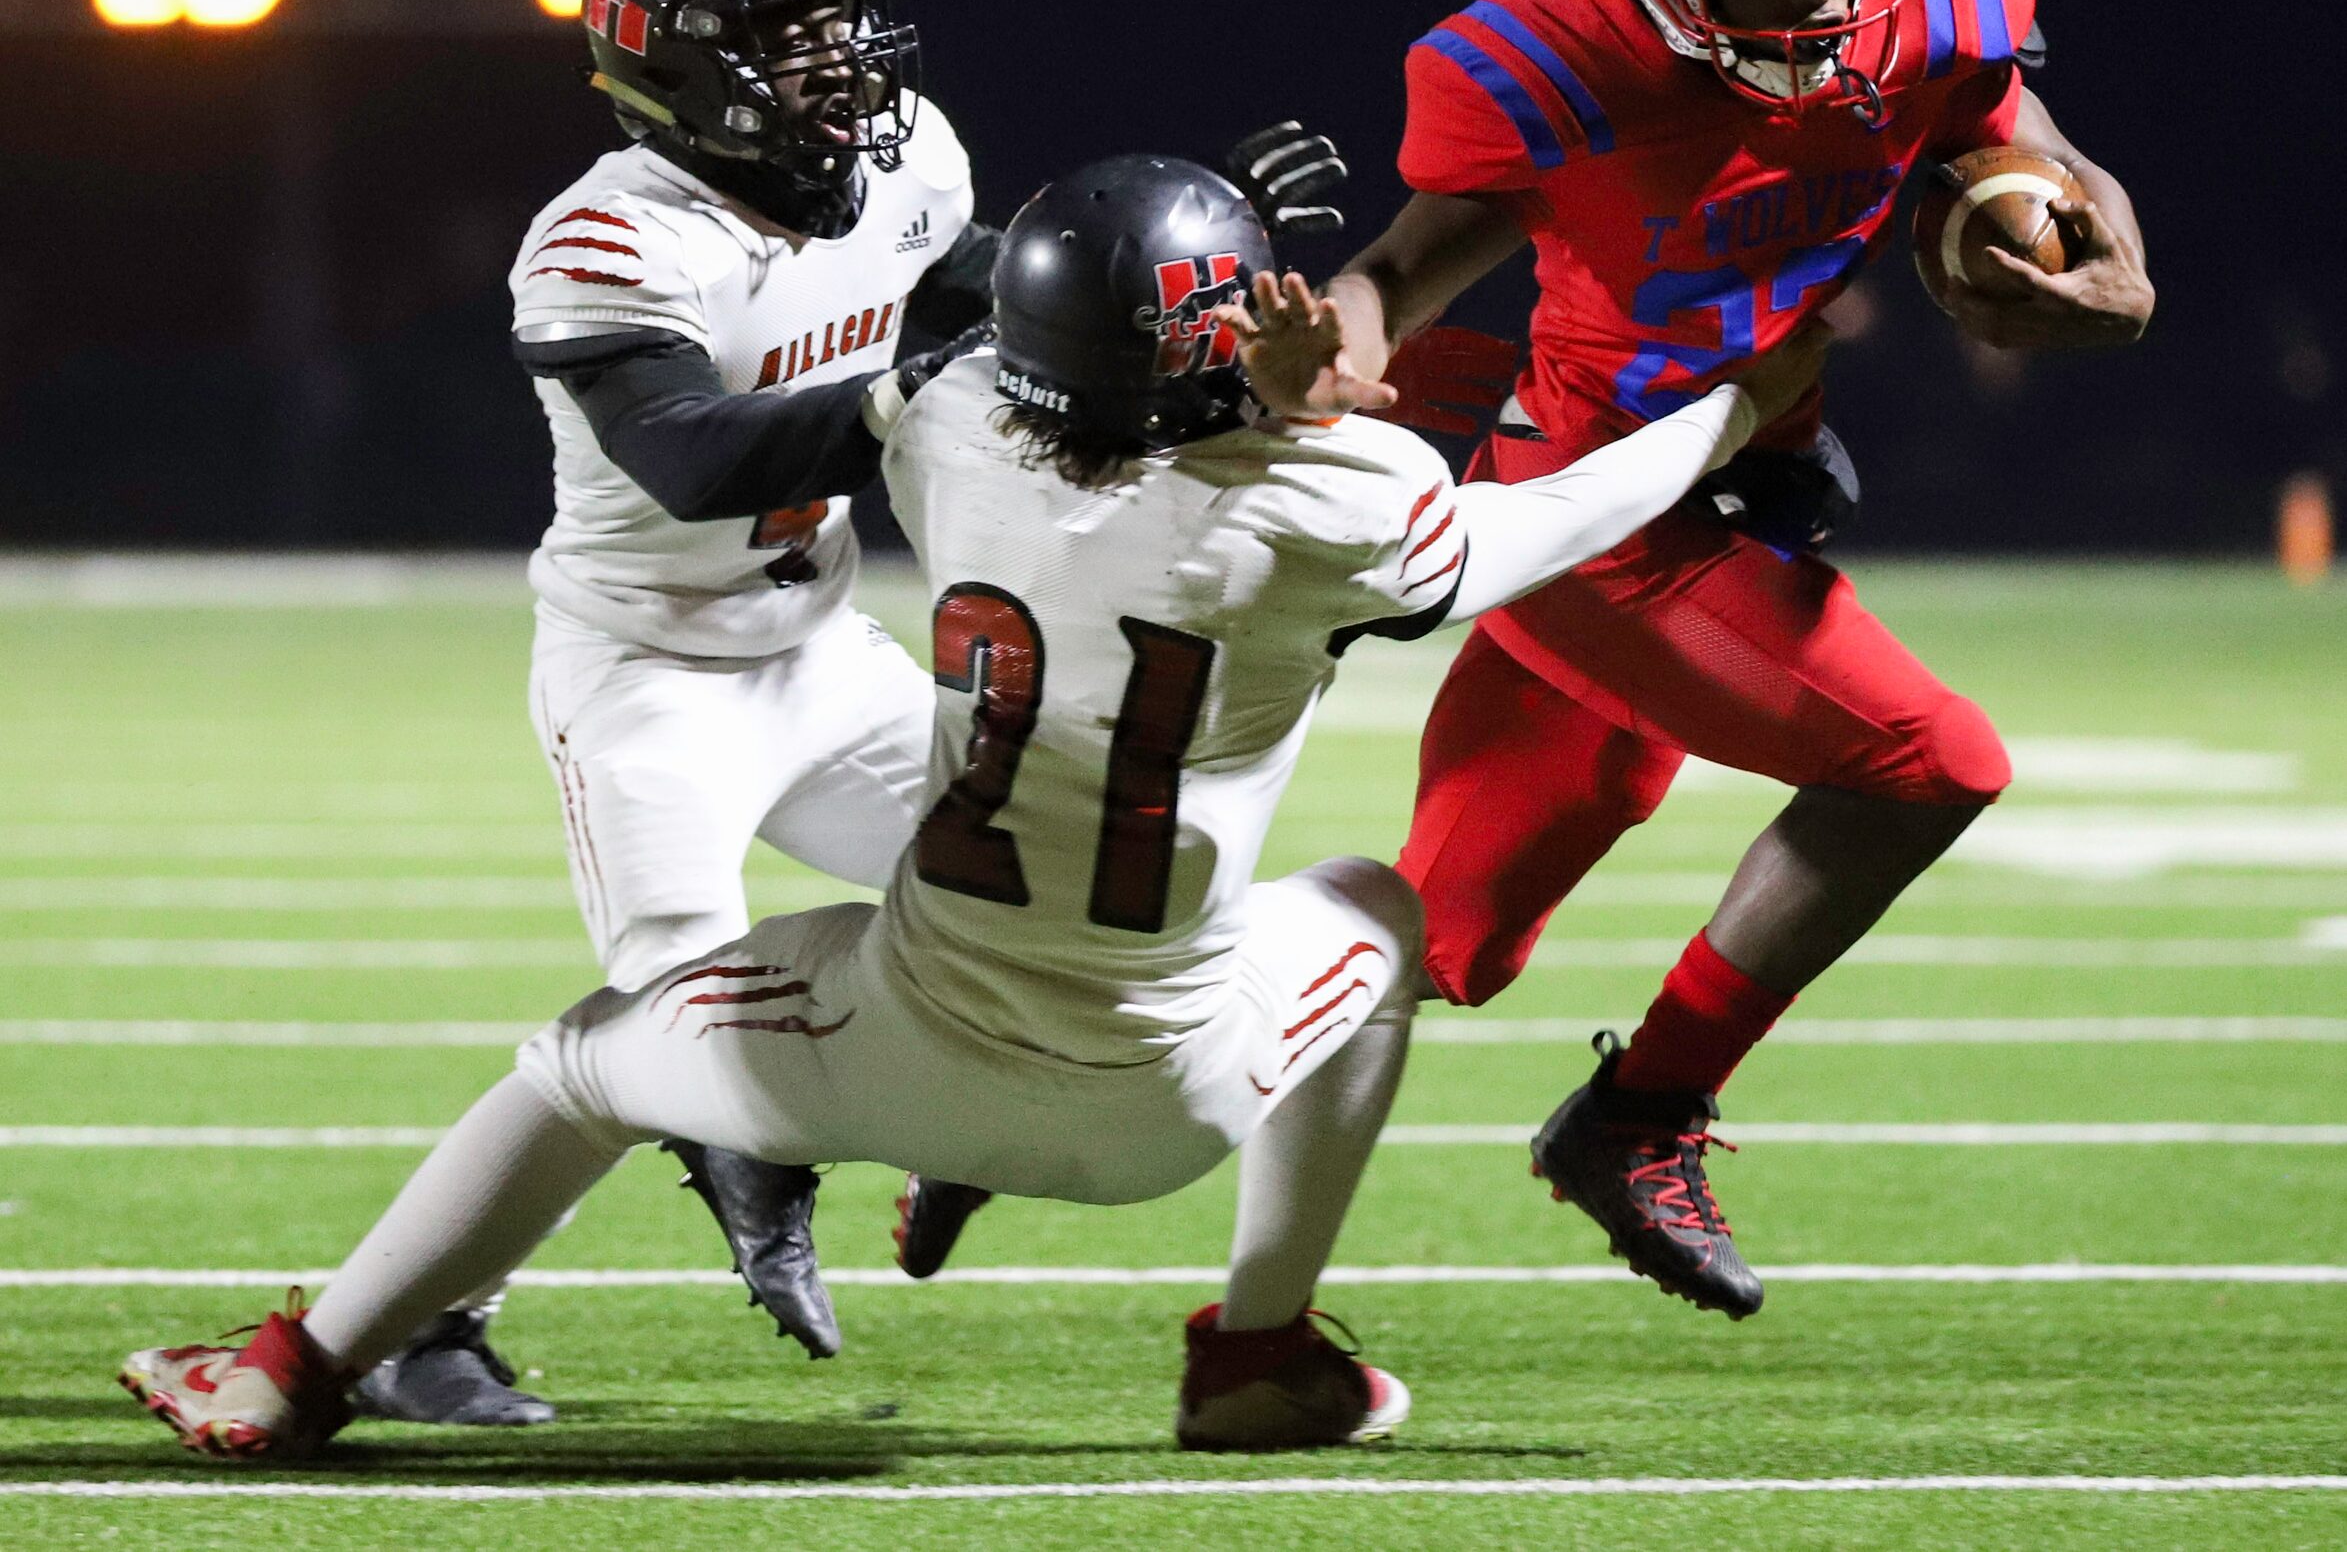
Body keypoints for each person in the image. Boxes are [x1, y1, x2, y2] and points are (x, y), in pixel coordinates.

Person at [117, 153, 1823, 1460]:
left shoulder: (947, 433)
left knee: (583, 1059)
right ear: (1205, 351)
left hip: (895, 1043)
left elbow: (999, 377)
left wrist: (1242, 387)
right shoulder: (1340, 501)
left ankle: (294, 1366)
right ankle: (1256, 1346)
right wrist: (1737, 401)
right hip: (1175, 1088)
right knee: (1374, 909)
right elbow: (1572, 511)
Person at [1323, 0, 2156, 1317]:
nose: (1813, 16)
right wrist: (1342, 349)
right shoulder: (1559, 75)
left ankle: (1076, 1050)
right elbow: (1399, 267)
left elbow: (2017, 136)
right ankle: (1639, 1113)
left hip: (1733, 484)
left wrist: (2115, 268)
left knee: (1437, 943)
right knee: (1933, 760)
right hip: (1591, 518)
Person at [354, 0, 998, 1426]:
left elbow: (980, 297)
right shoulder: (609, 237)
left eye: (846, 19)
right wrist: (922, 394)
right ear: (682, 62)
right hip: (649, 673)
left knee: (1022, 862)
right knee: (676, 1016)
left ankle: (951, 1125)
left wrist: (1153, 292)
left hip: (820, 649)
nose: (844, 63)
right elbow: (694, 455)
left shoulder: (906, 154)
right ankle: (422, 1321)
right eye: (793, 35)